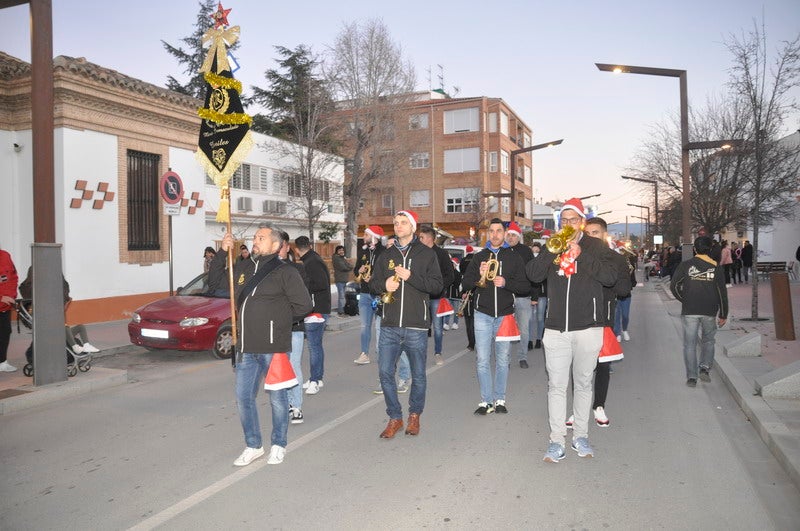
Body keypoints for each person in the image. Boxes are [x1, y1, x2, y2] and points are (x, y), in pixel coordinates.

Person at [209, 224, 312, 467]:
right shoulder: (244, 267)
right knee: (243, 398)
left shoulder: (285, 271)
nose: (255, 241)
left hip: (273, 347)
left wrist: (277, 325)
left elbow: (304, 305)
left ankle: (279, 444)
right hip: (246, 347)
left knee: (277, 399)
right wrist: (223, 253)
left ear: (275, 245)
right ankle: (253, 445)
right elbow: (214, 281)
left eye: (261, 238)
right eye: (255, 237)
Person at [527, 198, 617, 462]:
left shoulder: (596, 246)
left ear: (582, 222)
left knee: (583, 384)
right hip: (556, 328)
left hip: (589, 327)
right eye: (564, 220)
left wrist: (582, 256)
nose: (568, 224)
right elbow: (533, 275)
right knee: (556, 385)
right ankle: (556, 441)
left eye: (573, 220)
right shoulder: (552, 245)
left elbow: (610, 278)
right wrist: (550, 250)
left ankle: (580, 436)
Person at [369, 210, 443, 438]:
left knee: (418, 375)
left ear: (413, 227)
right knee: (385, 373)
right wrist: (384, 285)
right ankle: (395, 417)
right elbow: (372, 284)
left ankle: (414, 415)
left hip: (416, 326)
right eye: (396, 223)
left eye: (403, 222)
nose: (398, 226)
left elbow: (437, 286)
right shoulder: (386, 255)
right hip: (389, 324)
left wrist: (411, 277)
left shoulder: (426, 254)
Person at [462, 218, 529, 415]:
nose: (495, 234)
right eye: (491, 231)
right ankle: (486, 401)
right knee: (482, 359)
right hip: (482, 313)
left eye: (499, 231)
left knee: (502, 359)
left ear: (505, 233)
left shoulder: (514, 257)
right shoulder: (479, 256)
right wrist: (478, 275)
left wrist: (506, 283)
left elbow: (525, 286)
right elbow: (465, 284)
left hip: (505, 315)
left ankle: (500, 399)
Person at [580, 218, 631, 428]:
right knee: (581, 367)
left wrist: (605, 276)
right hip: (580, 318)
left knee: (602, 365)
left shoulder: (615, 259)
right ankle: (579, 408)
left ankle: (599, 405)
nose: (591, 237)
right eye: (588, 233)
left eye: (596, 233)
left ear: (604, 234)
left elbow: (624, 289)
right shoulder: (577, 255)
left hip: (603, 318)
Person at [670, 236, 728, 387]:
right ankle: (704, 368)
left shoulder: (686, 265)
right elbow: (722, 292)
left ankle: (691, 377)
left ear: (695, 249)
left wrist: (684, 299)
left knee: (690, 344)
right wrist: (723, 314)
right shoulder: (716, 267)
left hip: (690, 310)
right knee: (708, 341)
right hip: (709, 310)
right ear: (709, 249)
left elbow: (674, 286)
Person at [277, 232, 309, 424]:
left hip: (294, 326)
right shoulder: (265, 269)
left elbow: (302, 299)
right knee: (278, 366)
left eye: (281, 245)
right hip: (274, 328)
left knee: (294, 364)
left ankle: (296, 405)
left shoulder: (297, 269)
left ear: (287, 247)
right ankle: (284, 404)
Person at [295, 236, 331, 396]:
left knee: (313, 346)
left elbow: (321, 284)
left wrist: (303, 285)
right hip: (318, 308)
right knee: (316, 345)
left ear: (296, 249)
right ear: (309, 245)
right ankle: (317, 377)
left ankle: (315, 380)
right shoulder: (312, 259)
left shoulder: (312, 262)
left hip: (316, 310)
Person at [418, 224, 455, 366]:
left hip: (436, 297)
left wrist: (438, 287)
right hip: (421, 296)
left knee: (438, 328)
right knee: (421, 327)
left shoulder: (442, 254)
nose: (419, 239)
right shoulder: (418, 253)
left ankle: (438, 353)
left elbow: (450, 275)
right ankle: (420, 354)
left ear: (429, 238)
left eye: (421, 237)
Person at [353, 225, 385, 365]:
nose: (363, 237)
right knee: (364, 326)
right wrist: (359, 271)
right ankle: (364, 354)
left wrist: (374, 278)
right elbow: (355, 270)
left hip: (378, 294)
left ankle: (381, 353)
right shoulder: (363, 251)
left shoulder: (384, 252)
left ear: (374, 237)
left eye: (366, 235)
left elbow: (387, 273)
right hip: (365, 293)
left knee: (379, 327)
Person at [505, 221, 534, 368]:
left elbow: (533, 273)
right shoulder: (502, 250)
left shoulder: (526, 251)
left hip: (523, 297)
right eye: (509, 235)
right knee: (507, 329)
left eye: (513, 235)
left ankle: (522, 357)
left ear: (518, 237)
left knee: (524, 329)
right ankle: (506, 359)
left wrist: (535, 296)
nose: (511, 238)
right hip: (506, 296)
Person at [0, 245, 19, 372]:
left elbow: (13, 276)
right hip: (2, 300)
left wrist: (12, 295)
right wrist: (1, 298)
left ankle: (2, 362)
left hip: (5, 306)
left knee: (5, 333)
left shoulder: (5, 255)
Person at [614, 243, 637, 342]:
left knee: (625, 315)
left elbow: (633, 278)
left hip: (626, 293)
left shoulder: (628, 264)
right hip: (615, 293)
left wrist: (632, 282)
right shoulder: (613, 264)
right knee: (616, 315)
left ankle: (625, 330)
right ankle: (617, 333)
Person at [529, 242, 547, 351]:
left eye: (537, 251)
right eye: (533, 251)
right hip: (530, 295)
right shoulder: (530, 262)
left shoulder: (544, 263)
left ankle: (539, 339)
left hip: (542, 295)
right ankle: (530, 340)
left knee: (540, 318)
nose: (535, 253)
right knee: (530, 319)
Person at [460, 246, 476, 351]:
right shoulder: (476, 259)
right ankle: (472, 342)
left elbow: (462, 275)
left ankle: (471, 343)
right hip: (471, 293)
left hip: (468, 292)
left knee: (469, 321)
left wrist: (463, 292)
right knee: (471, 321)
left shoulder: (463, 260)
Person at [443, 256, 462, 331]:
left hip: (455, 295)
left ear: (455, 265)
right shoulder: (447, 273)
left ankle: (455, 323)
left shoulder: (458, 274)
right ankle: (446, 323)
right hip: (448, 294)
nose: (451, 265)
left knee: (456, 311)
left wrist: (451, 279)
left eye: (452, 264)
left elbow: (457, 283)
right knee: (447, 310)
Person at [332, 245, 352, 316]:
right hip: (340, 280)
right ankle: (341, 312)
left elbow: (350, 266)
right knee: (341, 297)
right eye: (340, 250)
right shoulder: (336, 258)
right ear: (337, 251)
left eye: (342, 250)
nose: (341, 251)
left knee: (343, 296)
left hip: (344, 280)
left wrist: (348, 267)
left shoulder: (342, 258)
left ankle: (343, 310)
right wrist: (348, 267)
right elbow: (343, 267)